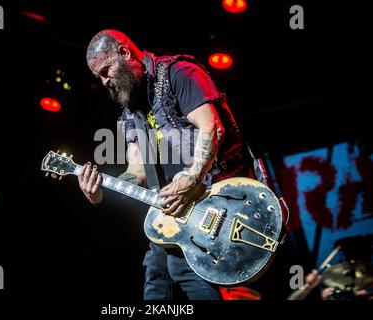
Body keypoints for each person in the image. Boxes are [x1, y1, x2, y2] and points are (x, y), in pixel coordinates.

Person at [78, 30, 253, 300]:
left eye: (106, 70)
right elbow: (138, 172)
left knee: (179, 269)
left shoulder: (178, 72)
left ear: (124, 53)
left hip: (217, 198)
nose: (103, 82)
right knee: (156, 277)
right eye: (98, 77)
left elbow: (212, 127)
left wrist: (193, 177)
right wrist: (100, 191)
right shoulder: (130, 112)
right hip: (177, 211)